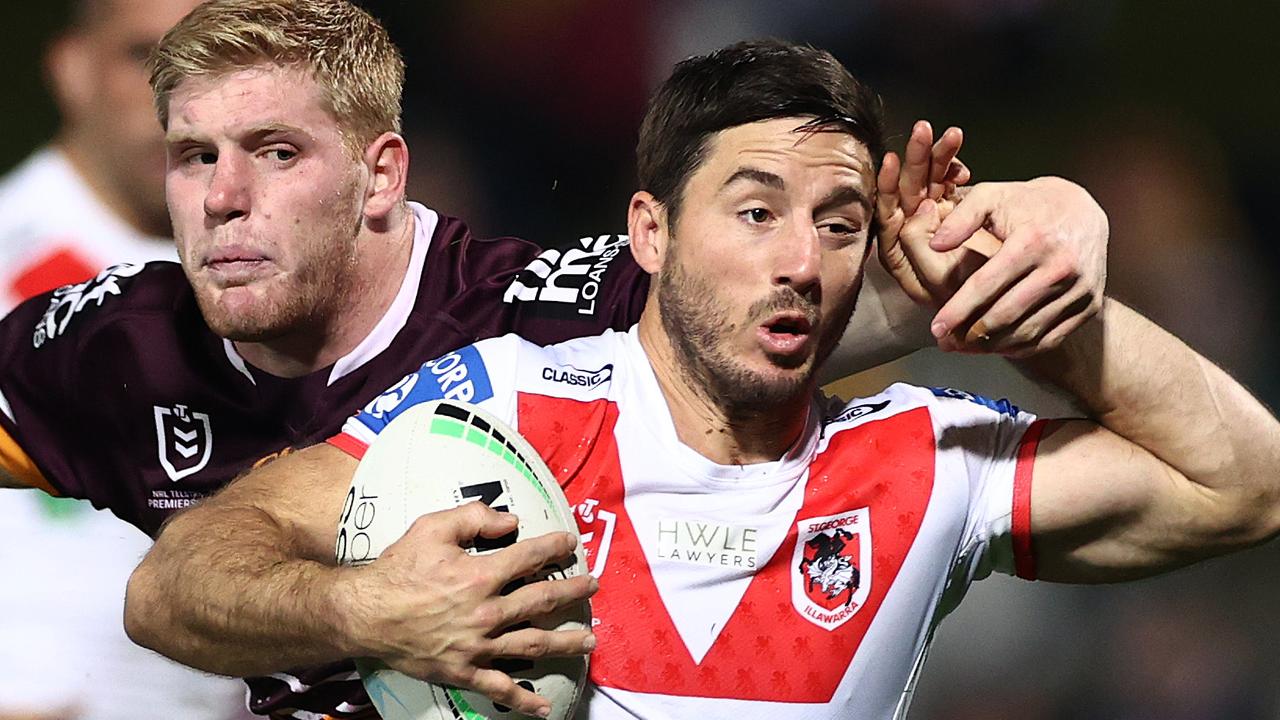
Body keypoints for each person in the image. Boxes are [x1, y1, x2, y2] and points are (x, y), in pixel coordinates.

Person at [0, 0, 1103, 717]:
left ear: (382, 177)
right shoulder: (116, 343)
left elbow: (826, 294)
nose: (222, 200)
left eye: (275, 154)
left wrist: (1049, 209)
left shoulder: (539, 318)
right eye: (193, 157)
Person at [0, 1, 246, 718]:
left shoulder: (279, 277)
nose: (180, 88)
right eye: (142, 56)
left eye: (213, 54)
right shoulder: (16, 264)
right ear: (71, 69)